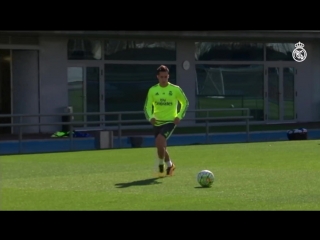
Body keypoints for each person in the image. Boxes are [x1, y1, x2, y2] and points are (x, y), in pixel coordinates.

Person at [144, 65, 189, 176]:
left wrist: (179, 116)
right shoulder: (153, 90)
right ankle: (170, 165)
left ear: (168, 76)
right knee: (161, 146)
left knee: (159, 141)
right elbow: (147, 106)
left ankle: (160, 165)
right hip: (157, 122)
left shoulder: (175, 89)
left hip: (170, 121)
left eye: (165, 77)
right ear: (157, 77)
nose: (164, 79)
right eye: (161, 77)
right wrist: (151, 117)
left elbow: (185, 103)